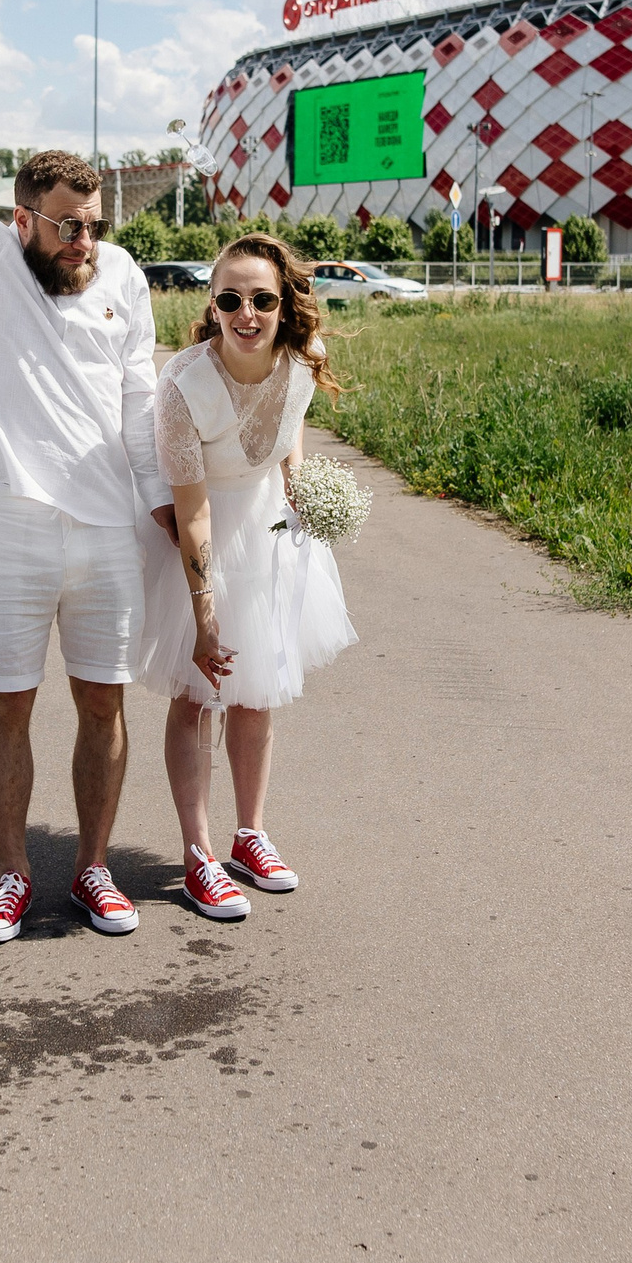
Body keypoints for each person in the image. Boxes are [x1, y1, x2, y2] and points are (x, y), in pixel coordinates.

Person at [0, 0, 173, 945]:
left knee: (104, 703)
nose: (86, 240)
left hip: (109, 526)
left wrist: (160, 505)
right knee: (7, 704)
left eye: (95, 222)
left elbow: (141, 398)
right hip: (14, 521)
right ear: (24, 218)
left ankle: (95, 868)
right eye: (68, 224)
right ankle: (10, 874)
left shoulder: (122, 275)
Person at [135, 233, 357, 920]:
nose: (246, 313)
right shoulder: (182, 386)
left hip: (266, 532)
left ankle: (249, 834)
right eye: (229, 299)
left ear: (284, 304)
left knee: (257, 693)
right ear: (213, 304)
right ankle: (198, 852)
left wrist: (297, 483)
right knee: (200, 693)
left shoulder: (306, 356)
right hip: (206, 540)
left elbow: (288, 418)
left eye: (261, 298)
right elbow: (193, 513)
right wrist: (203, 614)